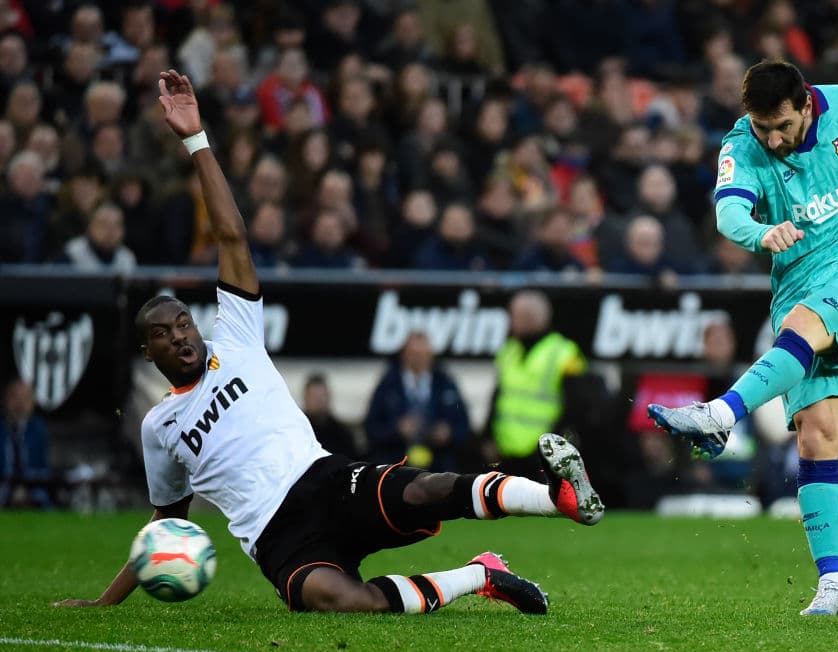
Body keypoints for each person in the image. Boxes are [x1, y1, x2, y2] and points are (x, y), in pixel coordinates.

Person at [54, 70, 604, 615]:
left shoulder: (236, 338)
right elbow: (167, 520)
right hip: (278, 538)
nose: (179, 336)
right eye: (162, 334)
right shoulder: (159, 427)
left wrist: (196, 140)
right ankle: (480, 575)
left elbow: (232, 236)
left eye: (183, 323)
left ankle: (556, 499)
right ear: (148, 353)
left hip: (326, 481)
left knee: (426, 490)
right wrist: (104, 602)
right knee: (343, 601)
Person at [648, 60, 838, 617]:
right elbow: (728, 214)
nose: (774, 139)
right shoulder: (742, 146)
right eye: (763, 127)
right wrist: (762, 233)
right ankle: (833, 584)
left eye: (783, 126)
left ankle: (720, 413)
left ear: (807, 103)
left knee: (801, 328)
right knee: (817, 434)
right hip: (800, 286)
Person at [482, 290, 589, 479]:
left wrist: (553, 446)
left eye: (515, 315)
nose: (511, 321)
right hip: (505, 452)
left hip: (543, 457)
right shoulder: (509, 350)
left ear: (531, 317)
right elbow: (498, 396)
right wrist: (488, 437)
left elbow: (576, 407)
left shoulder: (565, 353)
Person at [364, 330, 470, 472]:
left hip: (438, 464)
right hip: (396, 463)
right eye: (414, 354)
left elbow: (464, 426)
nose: (419, 359)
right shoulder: (388, 384)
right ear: (404, 354)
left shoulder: (445, 383)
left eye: (423, 354)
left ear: (431, 355)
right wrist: (396, 430)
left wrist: (448, 433)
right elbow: (371, 428)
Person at [0, 378, 52, 508]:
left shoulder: (38, 429)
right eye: (14, 397)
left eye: (25, 398)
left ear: (33, 402)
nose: (20, 403)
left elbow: (43, 468)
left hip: (32, 489)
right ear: (4, 400)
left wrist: (26, 489)